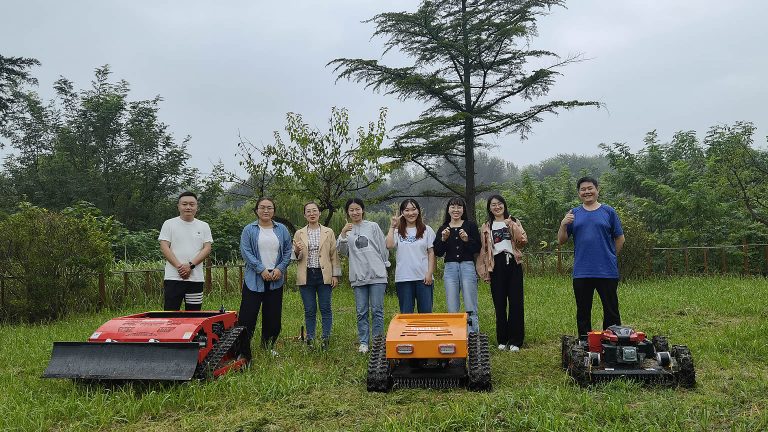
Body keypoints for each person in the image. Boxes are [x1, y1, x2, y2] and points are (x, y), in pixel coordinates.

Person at [557, 176, 625, 339]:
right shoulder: (573, 214)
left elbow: (620, 238)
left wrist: (610, 256)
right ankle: (585, 344)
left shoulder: (608, 211)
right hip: (582, 271)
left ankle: (612, 343)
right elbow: (561, 240)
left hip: (606, 271)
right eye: (583, 189)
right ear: (579, 193)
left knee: (611, 311)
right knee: (583, 311)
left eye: (590, 188)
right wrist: (563, 224)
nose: (587, 192)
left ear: (597, 190)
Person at [238, 197, 292, 358]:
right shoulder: (249, 229)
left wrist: (280, 269)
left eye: (269, 208)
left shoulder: (281, 229)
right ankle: (243, 349)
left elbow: (288, 250)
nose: (266, 210)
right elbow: (246, 252)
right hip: (254, 277)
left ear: (274, 211)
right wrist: (261, 269)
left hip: (276, 276)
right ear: (256, 210)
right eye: (262, 207)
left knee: (273, 315)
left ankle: (268, 346)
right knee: (248, 315)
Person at [337, 198, 390, 354]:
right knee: (361, 311)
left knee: (377, 310)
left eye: (357, 209)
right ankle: (363, 342)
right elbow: (342, 251)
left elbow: (382, 247)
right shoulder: (347, 230)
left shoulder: (372, 226)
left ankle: (378, 342)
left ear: (363, 210)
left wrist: (385, 264)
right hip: (358, 276)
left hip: (377, 275)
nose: (355, 212)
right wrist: (342, 234)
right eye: (351, 210)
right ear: (347, 212)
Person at [476, 194, 527, 352]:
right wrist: (484, 273)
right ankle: (502, 339)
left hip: (513, 263)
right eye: (493, 205)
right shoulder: (486, 226)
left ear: (504, 205)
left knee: (516, 303)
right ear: (489, 208)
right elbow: (483, 252)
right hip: (496, 265)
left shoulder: (514, 221)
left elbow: (523, 241)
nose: (497, 207)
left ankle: (516, 340)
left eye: (499, 204)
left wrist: (511, 225)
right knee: (499, 303)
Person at [293, 202, 341, 349]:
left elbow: (334, 254)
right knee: (309, 309)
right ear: (305, 215)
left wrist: (335, 275)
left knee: (325, 307)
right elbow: (296, 257)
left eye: (315, 211)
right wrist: (296, 250)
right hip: (306, 274)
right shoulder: (299, 233)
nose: (312, 213)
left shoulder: (328, 232)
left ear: (320, 213)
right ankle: (310, 339)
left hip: (324, 274)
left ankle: (326, 339)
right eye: (308, 211)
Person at [433, 197, 481, 333]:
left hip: (467, 266)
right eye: (453, 207)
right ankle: (455, 334)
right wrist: (443, 239)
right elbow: (438, 252)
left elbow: (477, 247)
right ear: (448, 210)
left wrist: (467, 239)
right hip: (450, 268)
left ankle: (472, 334)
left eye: (459, 207)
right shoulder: (443, 228)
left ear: (463, 210)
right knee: (452, 304)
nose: (456, 210)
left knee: (470, 303)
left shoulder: (470, 226)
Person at [158, 191, 213, 311]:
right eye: (184, 204)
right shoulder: (169, 224)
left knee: (194, 315)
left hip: (195, 279)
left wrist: (190, 265)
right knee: (170, 314)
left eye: (192, 204)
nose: (188, 207)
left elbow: (207, 248)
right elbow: (164, 246)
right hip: (173, 278)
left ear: (196, 207)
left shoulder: (203, 226)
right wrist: (180, 267)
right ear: (178, 206)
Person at [386, 198, 436, 313]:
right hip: (404, 278)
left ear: (418, 211)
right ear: (402, 213)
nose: (411, 213)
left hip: (423, 279)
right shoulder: (398, 231)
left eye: (414, 209)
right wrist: (392, 226)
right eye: (407, 210)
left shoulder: (427, 230)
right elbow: (389, 245)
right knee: (406, 314)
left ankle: (424, 332)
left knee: (425, 314)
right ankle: (409, 332)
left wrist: (429, 273)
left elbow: (431, 252)